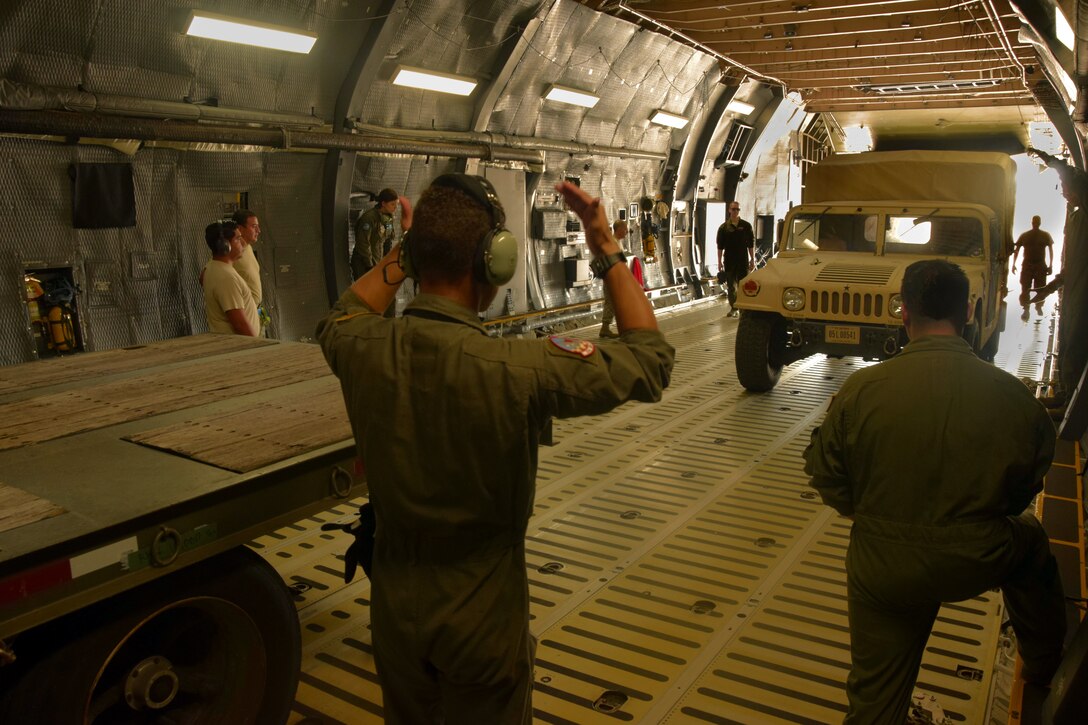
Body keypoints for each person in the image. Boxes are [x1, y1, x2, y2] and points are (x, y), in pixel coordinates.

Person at [316, 174, 674, 724]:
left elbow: (343, 311)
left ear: (413, 257)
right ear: (494, 265)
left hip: (393, 609)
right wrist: (604, 243)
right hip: (481, 614)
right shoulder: (519, 369)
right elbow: (649, 363)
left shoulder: (357, 344)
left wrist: (402, 253)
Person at [803, 259, 1066, 724]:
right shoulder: (1013, 396)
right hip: (976, 557)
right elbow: (1029, 482)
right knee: (1030, 541)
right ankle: (1046, 666)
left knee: (874, 694)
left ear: (903, 313)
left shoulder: (860, 391)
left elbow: (826, 476)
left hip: (883, 567)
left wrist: (876, 514)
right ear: (968, 312)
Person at [201, 220, 259, 336]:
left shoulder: (213, 267)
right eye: (238, 239)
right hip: (242, 348)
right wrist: (256, 346)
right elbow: (239, 324)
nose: (242, 243)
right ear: (225, 246)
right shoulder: (226, 277)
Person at [231, 209, 270, 333]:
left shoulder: (247, 247)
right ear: (240, 229)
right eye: (254, 227)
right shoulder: (232, 251)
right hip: (244, 314)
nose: (258, 231)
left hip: (255, 312)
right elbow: (207, 274)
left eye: (258, 227)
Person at [716, 200, 755, 316]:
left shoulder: (746, 226)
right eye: (733, 209)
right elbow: (720, 246)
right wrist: (719, 262)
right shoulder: (723, 228)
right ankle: (734, 308)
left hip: (742, 260)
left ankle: (744, 308)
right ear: (729, 210)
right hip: (729, 261)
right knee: (731, 287)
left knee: (743, 286)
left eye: (737, 209)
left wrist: (752, 259)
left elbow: (750, 244)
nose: (735, 211)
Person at [1011, 215, 1054, 319]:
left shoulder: (1045, 235)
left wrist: (1051, 265)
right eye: (1035, 222)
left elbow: (1050, 250)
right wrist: (1013, 264)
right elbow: (1017, 250)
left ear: (1038, 223)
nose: (1035, 223)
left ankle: (1038, 306)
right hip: (1028, 265)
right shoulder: (1025, 235)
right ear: (1033, 223)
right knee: (1025, 287)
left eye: (1036, 222)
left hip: (1040, 265)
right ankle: (1026, 308)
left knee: (1040, 287)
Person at [598, 219, 627, 338]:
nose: (626, 232)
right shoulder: (612, 243)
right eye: (625, 230)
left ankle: (607, 328)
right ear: (619, 230)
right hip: (612, 277)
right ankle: (605, 329)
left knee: (614, 302)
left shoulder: (617, 242)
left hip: (615, 277)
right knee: (611, 302)